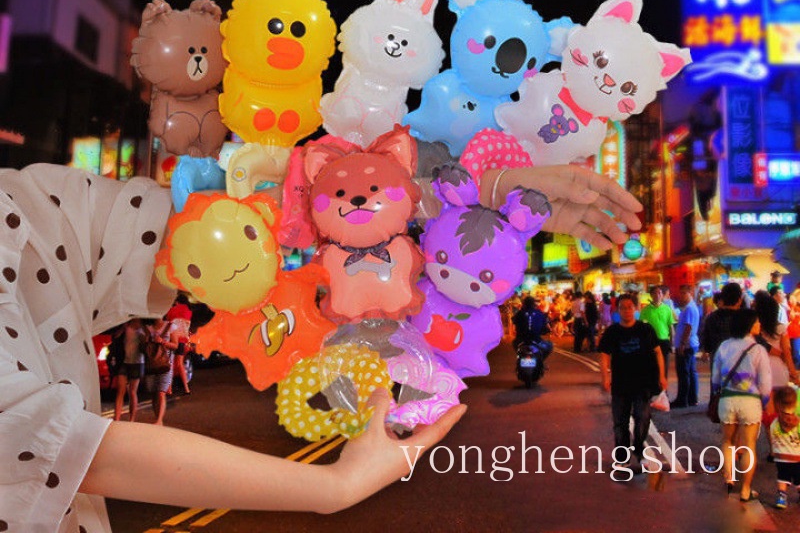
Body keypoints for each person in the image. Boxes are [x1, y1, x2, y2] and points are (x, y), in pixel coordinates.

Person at [1, 157, 641, 531]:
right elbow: (58, 446)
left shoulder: (21, 201)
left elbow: (219, 229)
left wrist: (487, 197)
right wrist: (328, 489)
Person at [598, 293, 667, 469]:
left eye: (630, 307)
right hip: (620, 384)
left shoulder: (645, 330)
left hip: (643, 383)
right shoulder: (612, 332)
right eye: (623, 307)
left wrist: (662, 376)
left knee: (642, 418)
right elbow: (604, 354)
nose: (627, 311)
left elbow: (658, 352)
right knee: (620, 422)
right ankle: (622, 456)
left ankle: (639, 450)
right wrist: (605, 377)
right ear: (617, 310)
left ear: (635, 309)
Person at [712, 308, 772, 502]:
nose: (759, 325)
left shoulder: (724, 346)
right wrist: (764, 402)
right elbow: (765, 383)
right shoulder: (759, 350)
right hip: (750, 402)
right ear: (749, 325)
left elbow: (715, 378)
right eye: (756, 322)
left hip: (727, 400)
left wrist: (717, 392)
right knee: (749, 446)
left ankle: (729, 480)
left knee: (728, 441)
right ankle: (746, 490)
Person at [754, 290, 800, 459]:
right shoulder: (781, 328)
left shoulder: (756, 330)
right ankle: (786, 446)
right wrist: (793, 373)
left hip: (763, 373)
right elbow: (787, 352)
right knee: (784, 410)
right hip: (780, 372)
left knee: (769, 413)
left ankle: (774, 450)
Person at [700, 281, 743, 389]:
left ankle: (715, 404)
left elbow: (707, 339)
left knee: (716, 388)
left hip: (717, 357)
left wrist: (706, 351)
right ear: (739, 300)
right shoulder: (743, 318)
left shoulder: (712, 317)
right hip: (739, 360)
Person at [143, 317, 178, 425]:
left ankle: (159, 420)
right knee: (154, 392)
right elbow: (144, 346)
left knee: (161, 392)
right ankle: (157, 418)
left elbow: (175, 345)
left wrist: (163, 342)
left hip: (166, 364)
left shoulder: (171, 326)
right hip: (151, 364)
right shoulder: (148, 328)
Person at [771, 385, 800, 510]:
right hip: (797, 457)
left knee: (782, 477)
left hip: (781, 457)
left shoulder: (775, 423)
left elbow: (773, 438)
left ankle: (782, 498)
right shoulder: (798, 423)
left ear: (778, 403)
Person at [113, 318, 146, 422]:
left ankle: (132, 419)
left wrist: (143, 334)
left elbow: (146, 341)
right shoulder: (127, 325)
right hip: (124, 361)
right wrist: (123, 328)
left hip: (137, 363)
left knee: (132, 391)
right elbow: (116, 337)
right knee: (120, 390)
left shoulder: (143, 328)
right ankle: (116, 418)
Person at [672, 284, 700, 408]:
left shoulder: (689, 308)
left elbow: (688, 327)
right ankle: (692, 398)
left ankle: (682, 400)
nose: (682, 295)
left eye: (684, 293)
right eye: (681, 293)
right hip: (690, 344)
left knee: (684, 373)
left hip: (687, 345)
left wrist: (682, 344)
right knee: (690, 372)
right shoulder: (690, 307)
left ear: (690, 293)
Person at [639, 285, 675, 380]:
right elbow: (641, 328)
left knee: (664, 366)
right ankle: (653, 388)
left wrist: (672, 343)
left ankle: (664, 389)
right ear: (651, 295)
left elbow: (671, 326)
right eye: (655, 293)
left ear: (662, 295)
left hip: (664, 341)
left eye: (659, 293)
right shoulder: (645, 310)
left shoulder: (667, 309)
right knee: (652, 365)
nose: (657, 295)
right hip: (650, 342)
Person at [165, 294, 193, 395]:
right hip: (183, 341)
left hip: (173, 339)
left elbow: (168, 321)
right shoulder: (189, 312)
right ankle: (186, 388)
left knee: (171, 364)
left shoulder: (172, 310)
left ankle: (169, 389)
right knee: (180, 364)